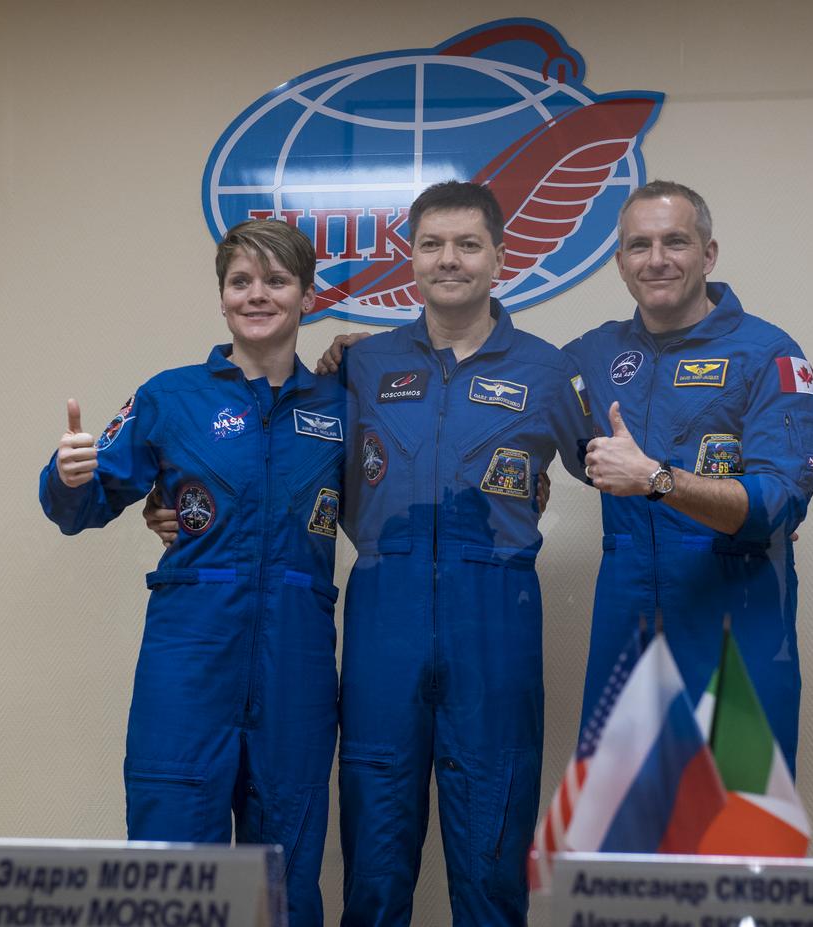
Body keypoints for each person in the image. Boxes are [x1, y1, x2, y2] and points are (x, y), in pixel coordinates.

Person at [39, 220, 343, 927]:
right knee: (172, 867)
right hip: (189, 659)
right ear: (222, 296)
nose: (257, 294)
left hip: (296, 662)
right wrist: (68, 476)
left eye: (276, 281)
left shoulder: (341, 405)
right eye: (241, 281)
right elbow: (83, 507)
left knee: (286, 874)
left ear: (307, 296)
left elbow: (395, 495)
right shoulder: (169, 398)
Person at [334, 181, 591, 927]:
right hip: (384, 618)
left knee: (491, 862)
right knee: (374, 863)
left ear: (500, 259)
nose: (449, 259)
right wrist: (178, 508)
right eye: (432, 244)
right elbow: (298, 465)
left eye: (468, 244)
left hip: (495, 622)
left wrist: (723, 507)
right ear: (410, 257)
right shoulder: (360, 365)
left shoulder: (546, 370)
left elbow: (623, 469)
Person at [572, 180, 813, 770]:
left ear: (708, 255)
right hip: (627, 619)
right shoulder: (592, 356)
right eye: (639, 245)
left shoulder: (768, 354)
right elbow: (505, 393)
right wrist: (370, 355)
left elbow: (781, 502)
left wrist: (657, 479)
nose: (656, 259)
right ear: (620, 263)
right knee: (622, 818)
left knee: (738, 816)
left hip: (736, 623)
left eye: (675, 242)